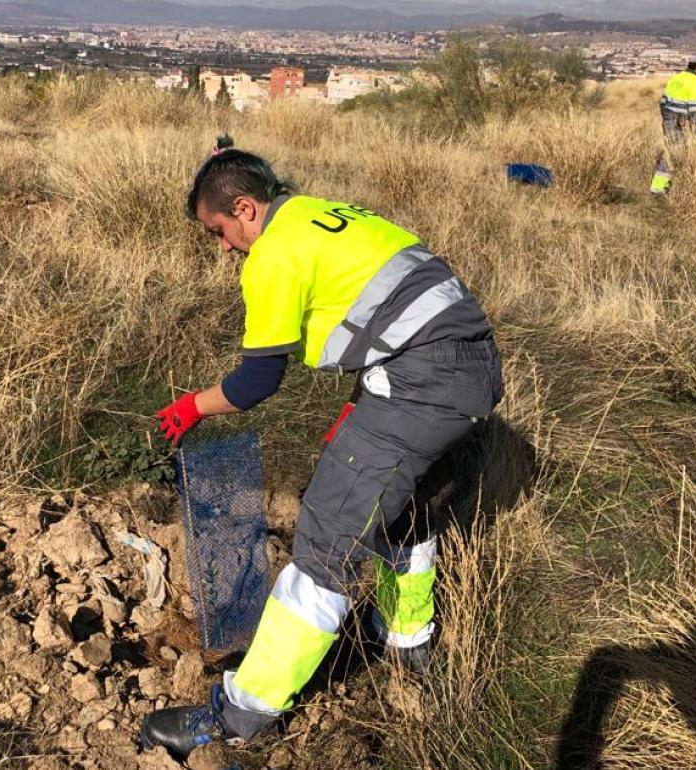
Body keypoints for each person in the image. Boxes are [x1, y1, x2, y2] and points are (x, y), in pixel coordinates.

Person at [140, 136, 504, 757]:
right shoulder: (323, 212)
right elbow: (391, 310)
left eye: (220, 231)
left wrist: (192, 405)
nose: (225, 248)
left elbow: (257, 381)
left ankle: (241, 713)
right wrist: (370, 396)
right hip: (471, 368)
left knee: (325, 543)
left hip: (421, 384)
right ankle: (406, 637)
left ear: (247, 208)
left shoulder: (273, 254)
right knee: (404, 503)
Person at [651, 56, 696, 195]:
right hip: (678, 119)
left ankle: (665, 187)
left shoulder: (677, 78)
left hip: (668, 117)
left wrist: (668, 118)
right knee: (674, 153)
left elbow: (663, 101)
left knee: (674, 151)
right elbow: (694, 111)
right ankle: (658, 189)